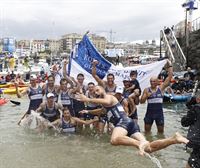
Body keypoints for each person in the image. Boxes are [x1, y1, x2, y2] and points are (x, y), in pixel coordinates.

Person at [77, 85, 189, 155]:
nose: (96, 92)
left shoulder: (110, 97)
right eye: (94, 92)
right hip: (130, 124)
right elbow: (102, 111)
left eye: (97, 90)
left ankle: (139, 143)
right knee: (149, 148)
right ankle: (174, 139)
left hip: (124, 122)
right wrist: (88, 112)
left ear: (103, 89)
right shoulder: (106, 106)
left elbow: (106, 102)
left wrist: (87, 98)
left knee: (114, 140)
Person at [140, 60, 173, 133]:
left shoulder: (161, 88)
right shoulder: (146, 90)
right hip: (149, 114)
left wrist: (170, 65)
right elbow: (141, 102)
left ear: (157, 81)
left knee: (161, 133)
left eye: (154, 81)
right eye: (151, 81)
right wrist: (146, 96)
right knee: (147, 133)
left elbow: (169, 77)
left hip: (159, 114)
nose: (152, 83)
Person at [181, 90, 200, 168]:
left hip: (198, 146)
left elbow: (184, 122)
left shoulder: (196, 108)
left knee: (191, 164)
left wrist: (190, 106)